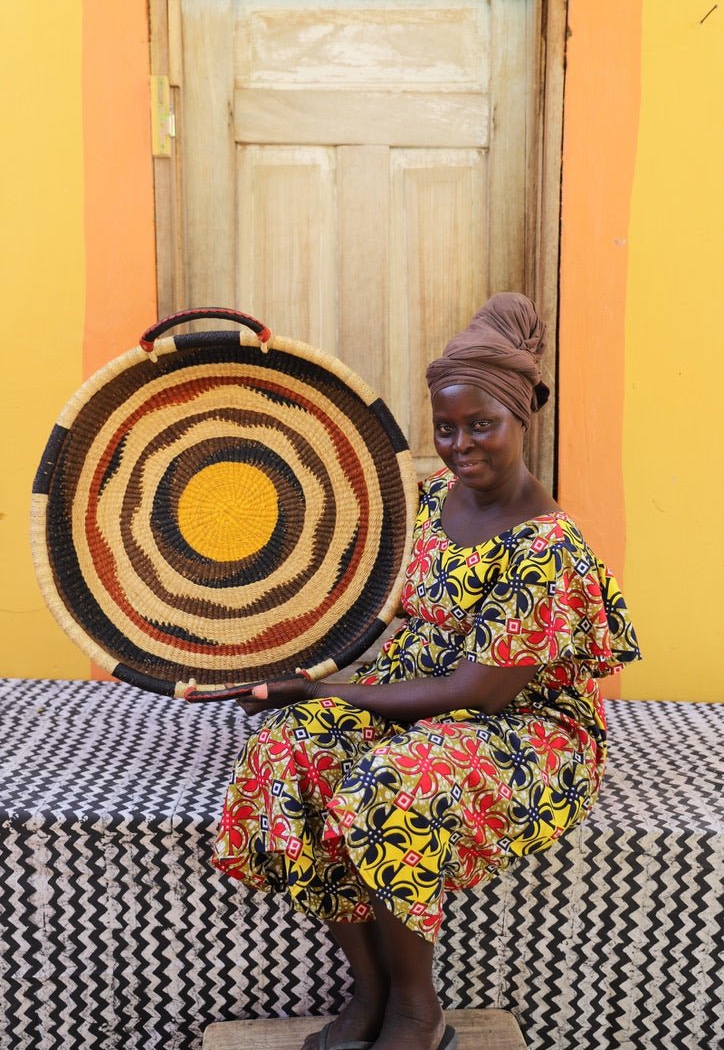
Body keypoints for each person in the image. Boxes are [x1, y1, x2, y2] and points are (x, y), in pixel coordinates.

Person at [212, 293, 641, 1050]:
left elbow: (475, 691)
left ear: (522, 419)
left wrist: (322, 689)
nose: (460, 444)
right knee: (286, 752)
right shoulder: (431, 499)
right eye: (447, 427)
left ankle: (417, 1008)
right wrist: (282, 662)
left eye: (483, 425)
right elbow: (363, 599)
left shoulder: (547, 548)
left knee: (388, 783)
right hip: (419, 697)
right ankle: (370, 991)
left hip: (524, 728)